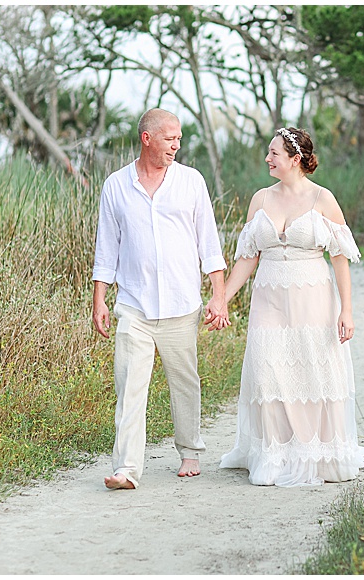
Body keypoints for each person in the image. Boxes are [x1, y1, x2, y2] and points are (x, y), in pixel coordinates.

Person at [208, 127, 364, 486]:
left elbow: (340, 257)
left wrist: (347, 310)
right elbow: (247, 258)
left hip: (312, 296)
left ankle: (317, 452)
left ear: (295, 159)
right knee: (267, 373)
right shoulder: (260, 199)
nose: (267, 159)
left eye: (274, 154)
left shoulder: (323, 199)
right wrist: (222, 300)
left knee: (313, 372)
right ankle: (273, 453)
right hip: (269, 298)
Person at [92, 108, 230, 490]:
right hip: (133, 306)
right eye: (170, 138)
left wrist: (219, 296)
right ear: (147, 138)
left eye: (180, 139)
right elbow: (107, 248)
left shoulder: (190, 182)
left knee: (184, 381)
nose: (177, 145)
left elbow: (209, 243)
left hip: (181, 304)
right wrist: (99, 300)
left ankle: (189, 451)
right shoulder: (116, 186)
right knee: (130, 386)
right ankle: (126, 468)